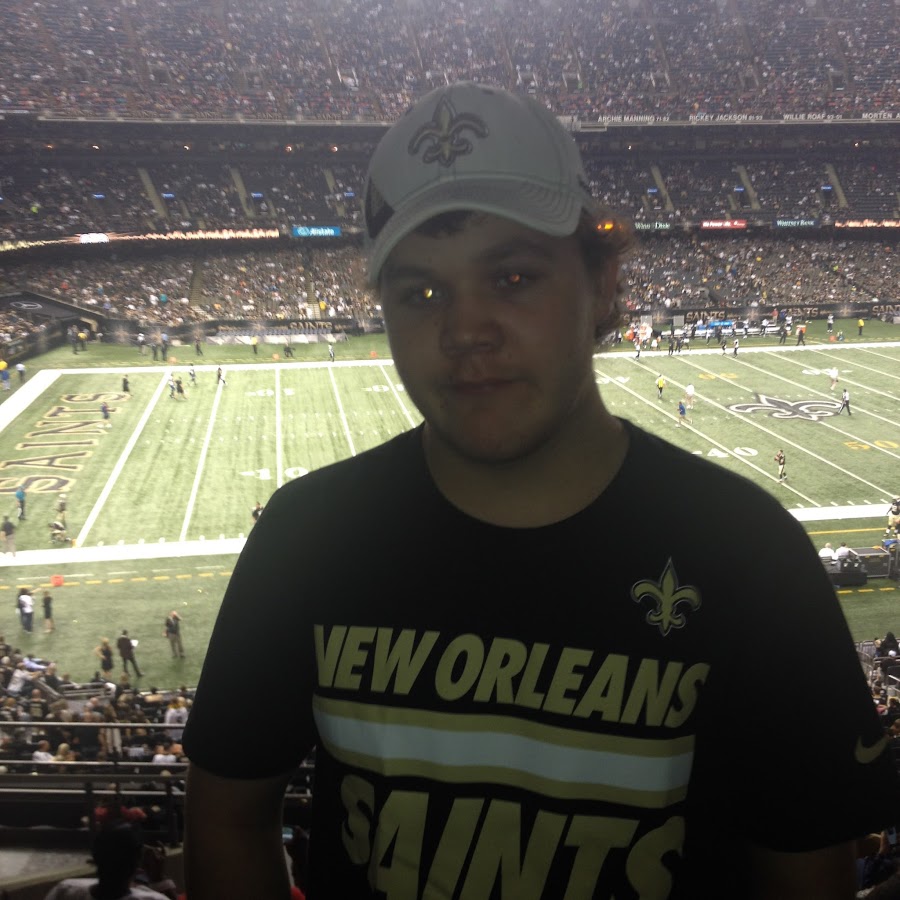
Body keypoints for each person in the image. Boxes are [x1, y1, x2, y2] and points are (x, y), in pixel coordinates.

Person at [182, 82, 900, 900]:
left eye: (514, 276)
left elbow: (805, 877)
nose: (465, 330)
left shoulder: (749, 554)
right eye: (421, 292)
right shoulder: (307, 535)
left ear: (604, 285)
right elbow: (227, 818)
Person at [44, 821, 173, 900]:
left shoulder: (66, 890)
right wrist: (158, 878)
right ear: (138, 861)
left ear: (94, 856)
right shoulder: (152, 898)